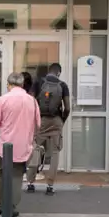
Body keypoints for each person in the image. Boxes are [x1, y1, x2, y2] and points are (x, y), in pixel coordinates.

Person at [0, 72, 41, 217]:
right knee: (17, 176)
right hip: (24, 146)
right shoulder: (32, 101)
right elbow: (38, 124)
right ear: (23, 84)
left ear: (9, 84)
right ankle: (11, 207)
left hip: (4, 145)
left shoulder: (3, 99)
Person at [27, 63, 70, 196]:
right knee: (55, 153)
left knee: (36, 149)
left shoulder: (39, 83)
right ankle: (50, 186)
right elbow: (67, 107)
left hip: (42, 121)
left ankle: (30, 183)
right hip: (56, 120)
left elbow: (30, 101)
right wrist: (62, 120)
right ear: (59, 73)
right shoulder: (63, 85)